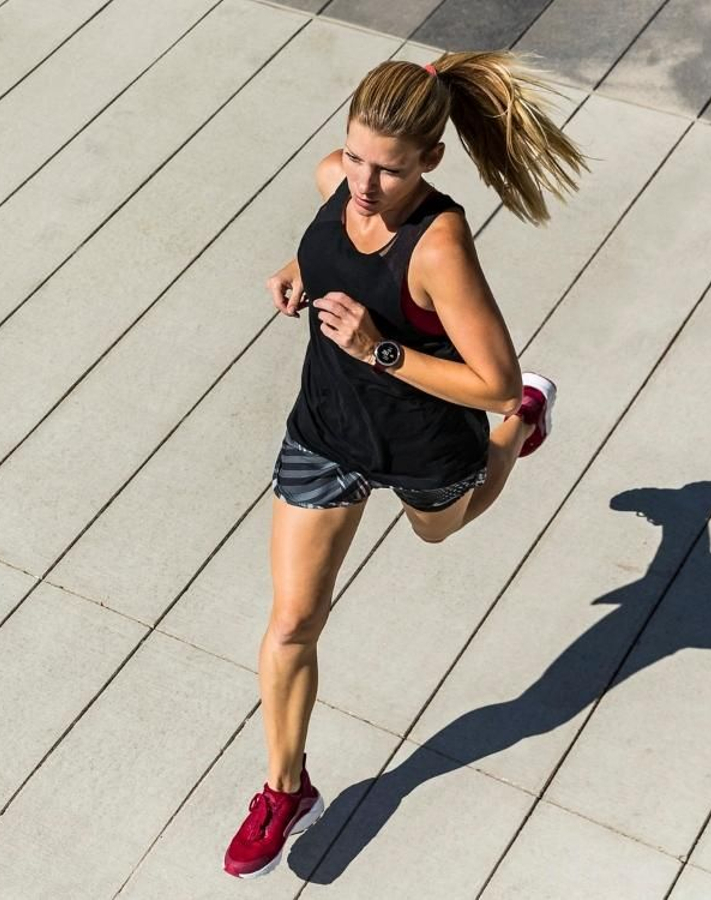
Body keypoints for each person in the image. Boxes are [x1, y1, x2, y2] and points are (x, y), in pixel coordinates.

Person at [223, 51, 590, 879]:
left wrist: (378, 349)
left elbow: (492, 380)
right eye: (356, 156)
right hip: (325, 431)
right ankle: (286, 790)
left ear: (430, 159)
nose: (363, 182)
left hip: (425, 438)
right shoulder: (338, 180)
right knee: (292, 623)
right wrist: (296, 269)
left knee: (440, 530)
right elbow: (331, 241)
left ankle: (525, 429)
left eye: (388, 169)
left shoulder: (439, 244)